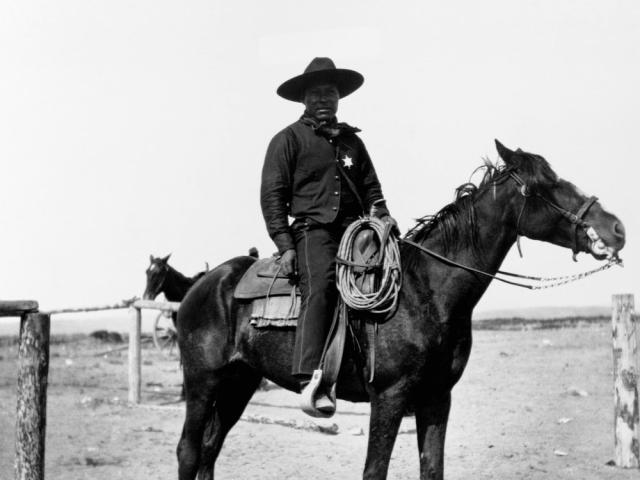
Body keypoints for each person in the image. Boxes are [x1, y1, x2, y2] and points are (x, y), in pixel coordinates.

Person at [260, 57, 398, 415]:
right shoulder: (287, 140)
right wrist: (285, 245)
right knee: (320, 287)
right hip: (312, 231)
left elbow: (372, 189)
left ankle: (387, 371)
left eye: (332, 93)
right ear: (304, 98)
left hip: (355, 232)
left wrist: (381, 215)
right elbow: (272, 197)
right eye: (317, 93)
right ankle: (310, 379)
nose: (325, 99)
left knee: (390, 280)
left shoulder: (353, 143)